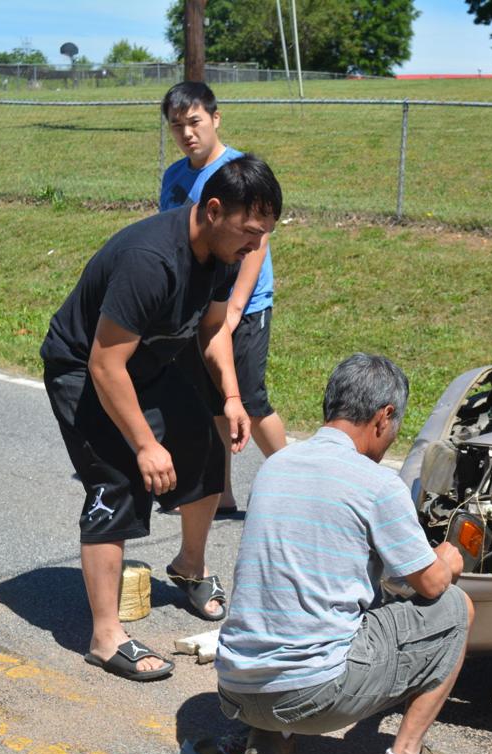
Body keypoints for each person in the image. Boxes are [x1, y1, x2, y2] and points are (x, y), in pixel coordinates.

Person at [40, 155, 282, 680]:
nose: (255, 246)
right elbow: (105, 365)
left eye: (263, 234)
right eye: (250, 233)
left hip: (148, 359)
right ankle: (105, 637)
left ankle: (189, 567)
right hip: (84, 367)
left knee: (205, 449)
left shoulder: (223, 252)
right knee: (119, 477)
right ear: (214, 211)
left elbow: (215, 330)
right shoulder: (151, 259)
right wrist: (146, 444)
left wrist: (234, 399)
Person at [215, 354, 473, 754]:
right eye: (394, 427)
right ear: (383, 417)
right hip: (312, 694)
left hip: (235, 687)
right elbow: (429, 584)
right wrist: (448, 557)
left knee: (307, 604)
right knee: (456, 607)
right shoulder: (377, 484)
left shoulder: (275, 466)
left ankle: (268, 741)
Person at [160, 81, 287, 515]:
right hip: (201, 305)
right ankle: (220, 490)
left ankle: (297, 482)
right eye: (177, 126)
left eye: (194, 121)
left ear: (215, 118)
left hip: (244, 307)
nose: (186, 133)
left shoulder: (239, 170)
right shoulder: (174, 177)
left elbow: (259, 241)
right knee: (212, 397)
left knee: (249, 401)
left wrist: (234, 309)